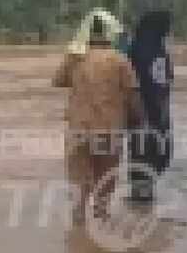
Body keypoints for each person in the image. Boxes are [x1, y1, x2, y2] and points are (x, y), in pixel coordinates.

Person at [54, 13, 144, 221]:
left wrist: (73, 54)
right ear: (111, 33)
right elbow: (133, 96)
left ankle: (79, 229)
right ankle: (100, 222)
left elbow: (58, 80)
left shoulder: (76, 58)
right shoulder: (120, 60)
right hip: (109, 129)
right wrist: (138, 121)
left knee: (79, 183)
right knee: (106, 180)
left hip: (78, 129)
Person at [126, 11, 173, 202]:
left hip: (160, 111)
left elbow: (166, 79)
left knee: (161, 154)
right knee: (143, 154)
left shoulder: (161, 49)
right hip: (142, 111)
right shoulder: (135, 49)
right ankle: (140, 200)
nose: (169, 30)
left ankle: (143, 197)